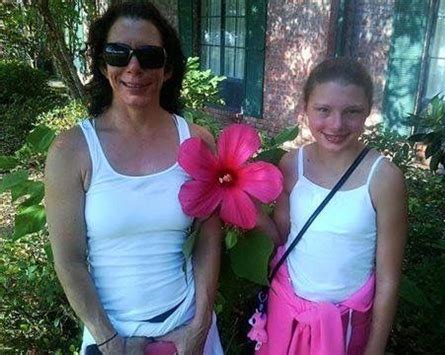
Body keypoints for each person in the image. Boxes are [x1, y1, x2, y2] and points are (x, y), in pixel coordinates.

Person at [44, 2, 223, 354]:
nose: (134, 67)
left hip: (187, 332)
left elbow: (209, 234)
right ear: (101, 63)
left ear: (168, 68)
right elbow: (69, 260)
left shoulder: (197, 141)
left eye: (149, 56)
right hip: (111, 338)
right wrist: (109, 341)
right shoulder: (72, 151)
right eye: (118, 53)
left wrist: (199, 326)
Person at [254, 57, 408, 354]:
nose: (336, 125)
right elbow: (281, 239)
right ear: (306, 108)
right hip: (287, 313)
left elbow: (388, 278)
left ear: (367, 112)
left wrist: (374, 350)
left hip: (345, 327)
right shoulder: (292, 164)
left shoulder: (384, 179)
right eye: (323, 110)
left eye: (352, 112)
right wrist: (248, 208)